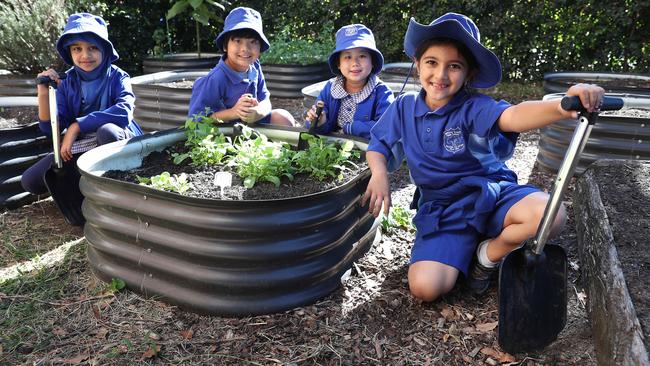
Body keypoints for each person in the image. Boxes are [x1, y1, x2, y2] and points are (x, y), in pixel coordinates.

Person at [362, 12, 604, 302]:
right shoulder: (403, 107)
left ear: (470, 74)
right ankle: (456, 246)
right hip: (443, 209)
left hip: (490, 195)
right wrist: (379, 173)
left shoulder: (474, 106)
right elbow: (378, 144)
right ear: (417, 64)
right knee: (425, 289)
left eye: (454, 66)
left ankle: (487, 255)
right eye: (432, 62)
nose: (440, 75)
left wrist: (561, 107)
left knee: (549, 215)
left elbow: (512, 115)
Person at [22, 12, 143, 195]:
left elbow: (124, 112)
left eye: (92, 47)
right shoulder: (68, 81)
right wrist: (43, 92)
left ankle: (115, 190)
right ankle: (82, 186)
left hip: (119, 140)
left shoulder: (118, 76)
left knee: (106, 131)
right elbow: (50, 129)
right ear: (69, 52)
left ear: (104, 49)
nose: (85, 55)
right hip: (85, 143)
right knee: (30, 181)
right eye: (77, 49)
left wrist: (77, 126)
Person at [187, 7, 295, 126]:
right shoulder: (216, 78)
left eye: (253, 42)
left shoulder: (255, 67)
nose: (245, 49)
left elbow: (265, 100)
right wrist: (234, 112)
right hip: (224, 134)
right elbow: (196, 120)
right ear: (225, 46)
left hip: (252, 127)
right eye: (238, 41)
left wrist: (258, 112)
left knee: (284, 118)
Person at [305, 24, 394, 139]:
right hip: (333, 148)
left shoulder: (382, 92)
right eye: (347, 57)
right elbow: (315, 125)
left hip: (368, 151)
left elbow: (387, 128)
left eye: (362, 56)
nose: (355, 63)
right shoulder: (331, 88)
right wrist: (318, 122)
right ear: (338, 64)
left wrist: (350, 128)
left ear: (373, 62)